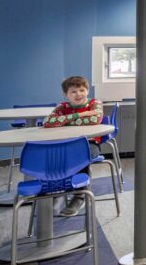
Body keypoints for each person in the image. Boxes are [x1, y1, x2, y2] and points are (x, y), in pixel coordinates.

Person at [42, 75, 103, 217]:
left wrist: (63, 121)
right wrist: (80, 115)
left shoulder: (95, 103)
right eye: (73, 92)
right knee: (53, 156)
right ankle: (57, 189)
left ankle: (79, 196)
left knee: (81, 157)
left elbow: (95, 119)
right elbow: (48, 122)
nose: (78, 94)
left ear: (87, 91)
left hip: (89, 142)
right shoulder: (62, 107)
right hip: (65, 143)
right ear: (66, 94)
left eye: (82, 90)